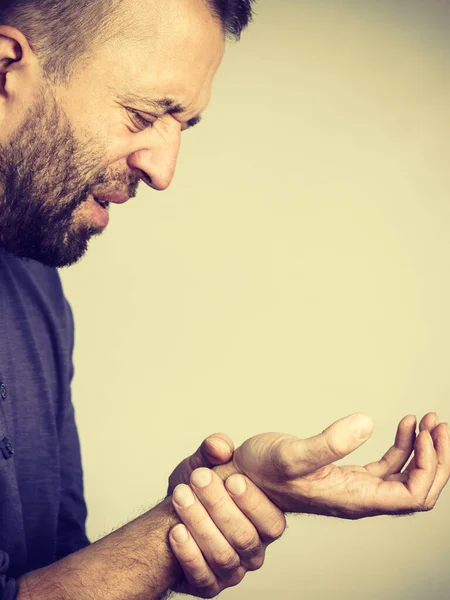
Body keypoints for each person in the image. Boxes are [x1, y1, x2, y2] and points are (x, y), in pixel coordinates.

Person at [0, 0, 448, 599]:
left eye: (181, 125)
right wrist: (175, 535)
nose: (163, 172)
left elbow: (48, 573)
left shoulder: (35, 287)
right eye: (141, 115)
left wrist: (222, 499)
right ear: (6, 66)